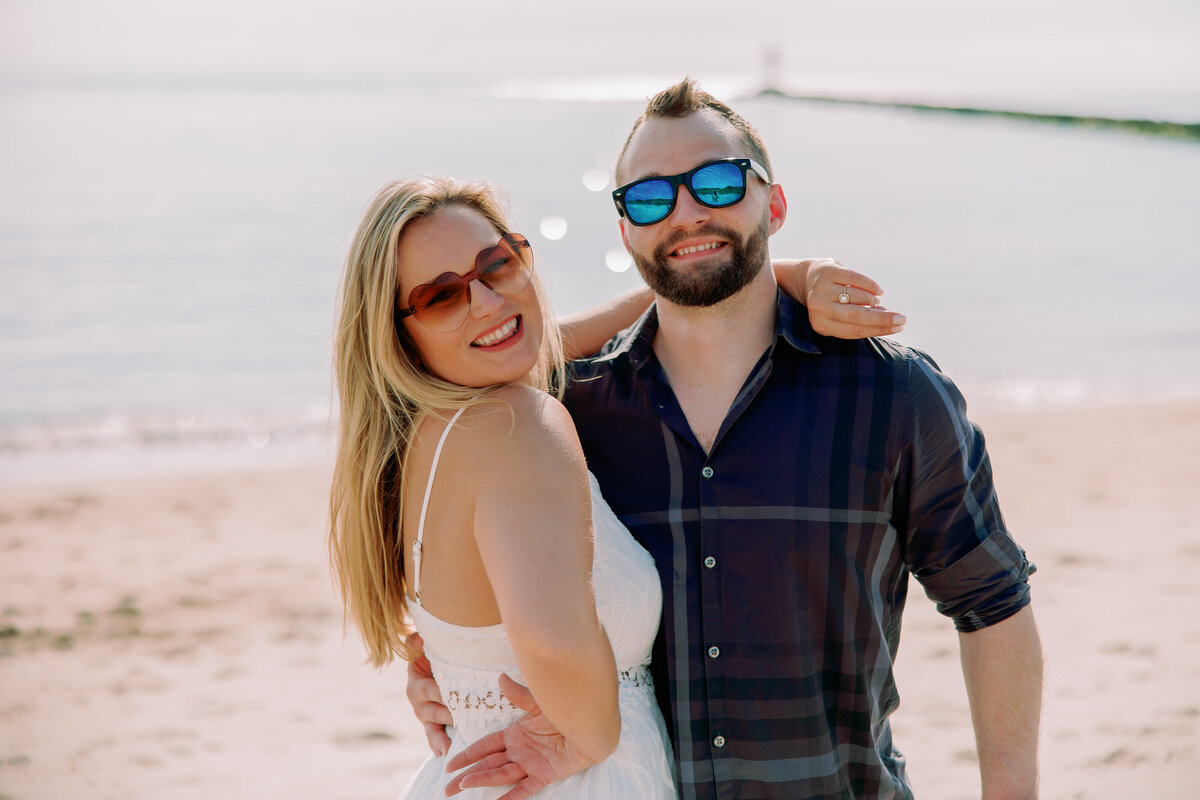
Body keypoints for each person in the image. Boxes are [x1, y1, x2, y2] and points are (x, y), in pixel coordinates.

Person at [415, 79, 1042, 800]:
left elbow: (993, 604)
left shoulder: (893, 398)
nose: (685, 214)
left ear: (772, 203)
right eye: (651, 198)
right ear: (625, 231)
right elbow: (462, 557)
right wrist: (439, 667)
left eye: (715, 183)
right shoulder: (564, 418)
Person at [329, 176, 893, 799]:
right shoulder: (518, 421)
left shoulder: (424, 439)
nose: (487, 302)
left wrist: (788, 275)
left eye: (498, 264)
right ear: (397, 332)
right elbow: (552, 641)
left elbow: (618, 320)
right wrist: (590, 739)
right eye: (440, 297)